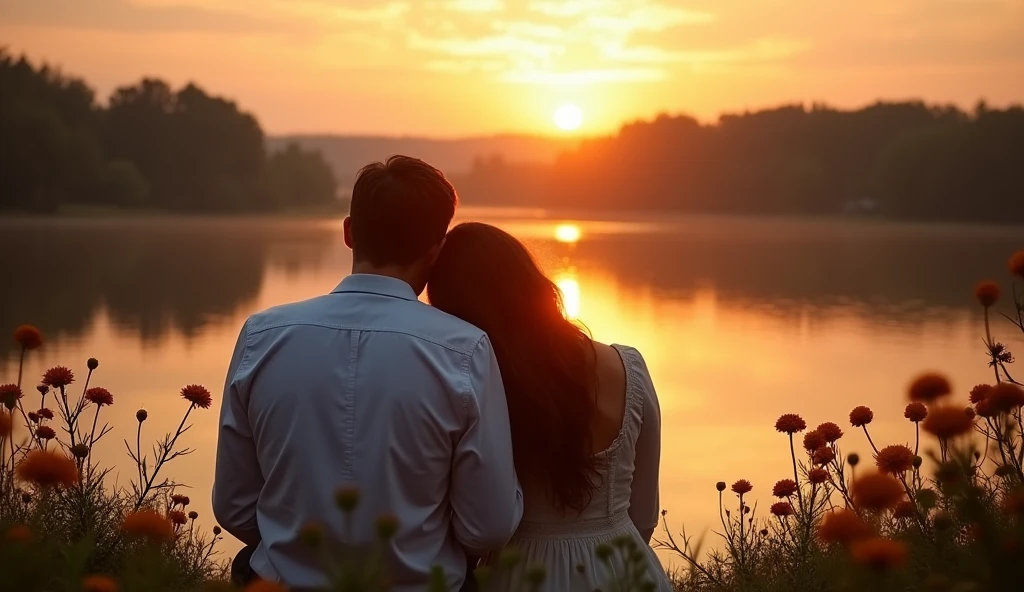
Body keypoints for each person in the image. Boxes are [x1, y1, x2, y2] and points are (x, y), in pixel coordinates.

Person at [213, 156, 523, 592]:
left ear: (348, 232)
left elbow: (234, 506)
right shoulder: (465, 350)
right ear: (436, 250)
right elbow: (486, 528)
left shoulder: (262, 336)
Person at [427, 222, 672, 591]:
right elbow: (644, 514)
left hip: (517, 571)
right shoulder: (628, 368)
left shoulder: (476, 383)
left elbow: (469, 520)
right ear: (529, 281)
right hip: (623, 565)